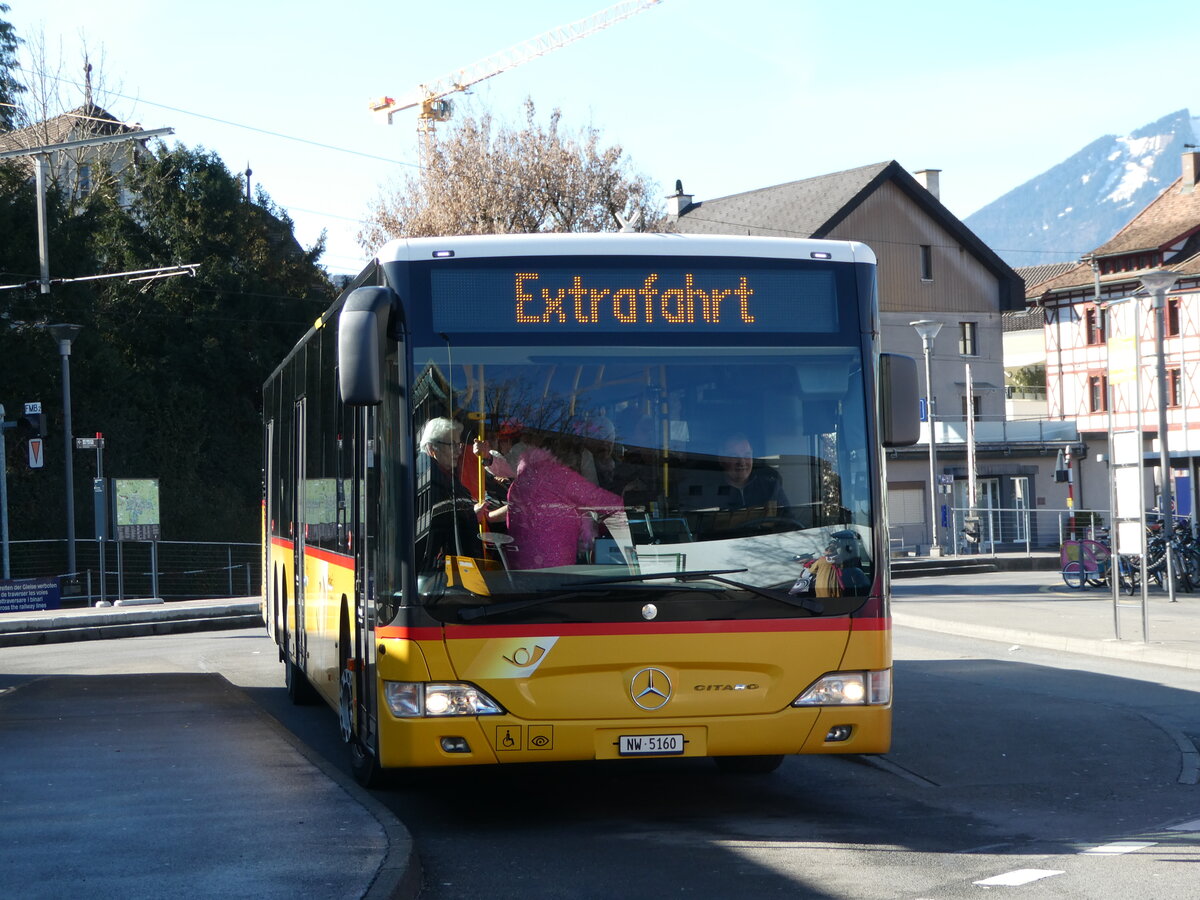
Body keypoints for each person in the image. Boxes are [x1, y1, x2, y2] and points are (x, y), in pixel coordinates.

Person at [505, 438, 626, 570]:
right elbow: (604, 501)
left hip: (520, 570)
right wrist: (635, 502)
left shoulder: (522, 479)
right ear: (569, 455)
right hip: (555, 572)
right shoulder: (560, 476)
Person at [414, 417, 498, 575]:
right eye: (452, 445)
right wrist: (470, 515)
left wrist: (470, 513)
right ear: (432, 449)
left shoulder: (442, 476)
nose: (459, 451)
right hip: (442, 582)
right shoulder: (426, 483)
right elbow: (435, 532)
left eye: (458, 445)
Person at [714, 433, 790, 511]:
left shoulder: (771, 487)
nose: (742, 462)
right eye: (734, 456)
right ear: (721, 459)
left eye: (747, 455)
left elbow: (789, 520)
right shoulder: (710, 491)